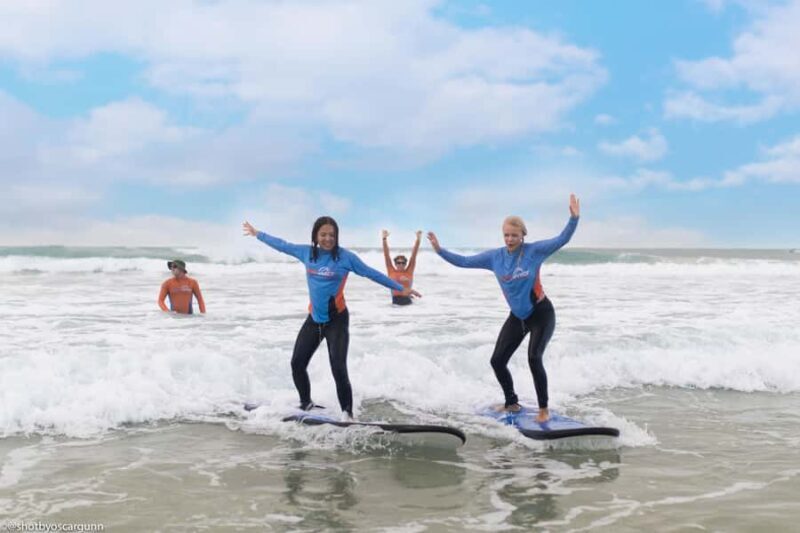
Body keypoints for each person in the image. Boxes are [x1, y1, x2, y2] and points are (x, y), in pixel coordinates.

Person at [243, 216, 421, 420]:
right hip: (314, 319)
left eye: (332, 235)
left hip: (337, 321)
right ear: (316, 236)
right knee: (297, 363)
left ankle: (347, 414)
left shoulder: (346, 258)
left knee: (338, 367)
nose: (328, 238)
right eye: (323, 235)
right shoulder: (307, 253)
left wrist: (401, 288)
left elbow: (371, 273)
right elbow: (283, 245)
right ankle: (306, 403)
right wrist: (258, 234)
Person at [427, 194, 580, 423]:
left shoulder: (534, 251)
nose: (510, 239)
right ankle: (512, 403)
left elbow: (561, 239)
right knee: (497, 361)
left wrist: (574, 219)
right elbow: (465, 262)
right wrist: (440, 251)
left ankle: (543, 409)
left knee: (534, 358)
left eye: (514, 235)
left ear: (523, 235)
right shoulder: (495, 257)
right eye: (506, 235)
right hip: (518, 317)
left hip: (541, 314)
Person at [382, 229, 422, 305]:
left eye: (403, 263)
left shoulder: (409, 271)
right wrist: (384, 239)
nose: (401, 264)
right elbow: (386, 255)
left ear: (405, 264)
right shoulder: (391, 271)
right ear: (395, 264)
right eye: (398, 263)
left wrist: (418, 240)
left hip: (407, 302)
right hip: (395, 303)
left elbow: (414, 256)